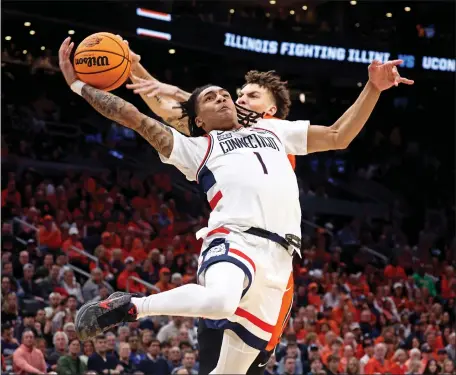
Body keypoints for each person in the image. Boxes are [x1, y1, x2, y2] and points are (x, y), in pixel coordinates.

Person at [59, 36, 413, 373]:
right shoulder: (197, 148)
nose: (228, 99)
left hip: (280, 260)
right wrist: (80, 86)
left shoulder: (274, 130)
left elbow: (339, 135)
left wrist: (373, 88)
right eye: (214, 98)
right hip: (236, 238)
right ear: (197, 121)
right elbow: (141, 117)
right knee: (220, 302)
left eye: (230, 95)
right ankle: (129, 306)